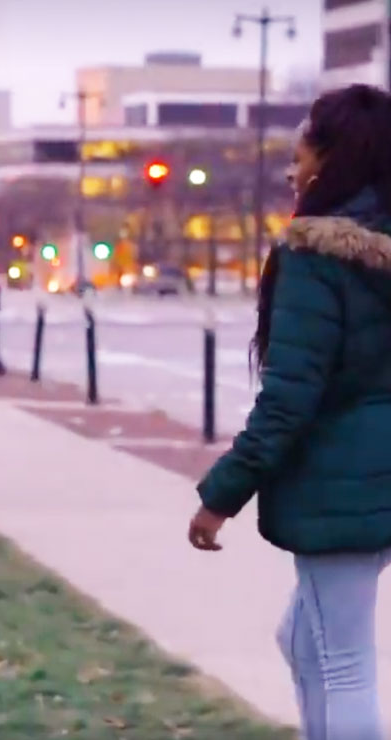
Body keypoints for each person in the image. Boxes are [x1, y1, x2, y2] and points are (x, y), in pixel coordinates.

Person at [188, 84, 391, 740]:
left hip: (347, 484)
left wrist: (222, 493)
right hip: (370, 479)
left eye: (305, 143)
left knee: (343, 661)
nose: (293, 161)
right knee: (302, 639)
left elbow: (289, 397)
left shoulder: (315, 254)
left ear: (331, 157)